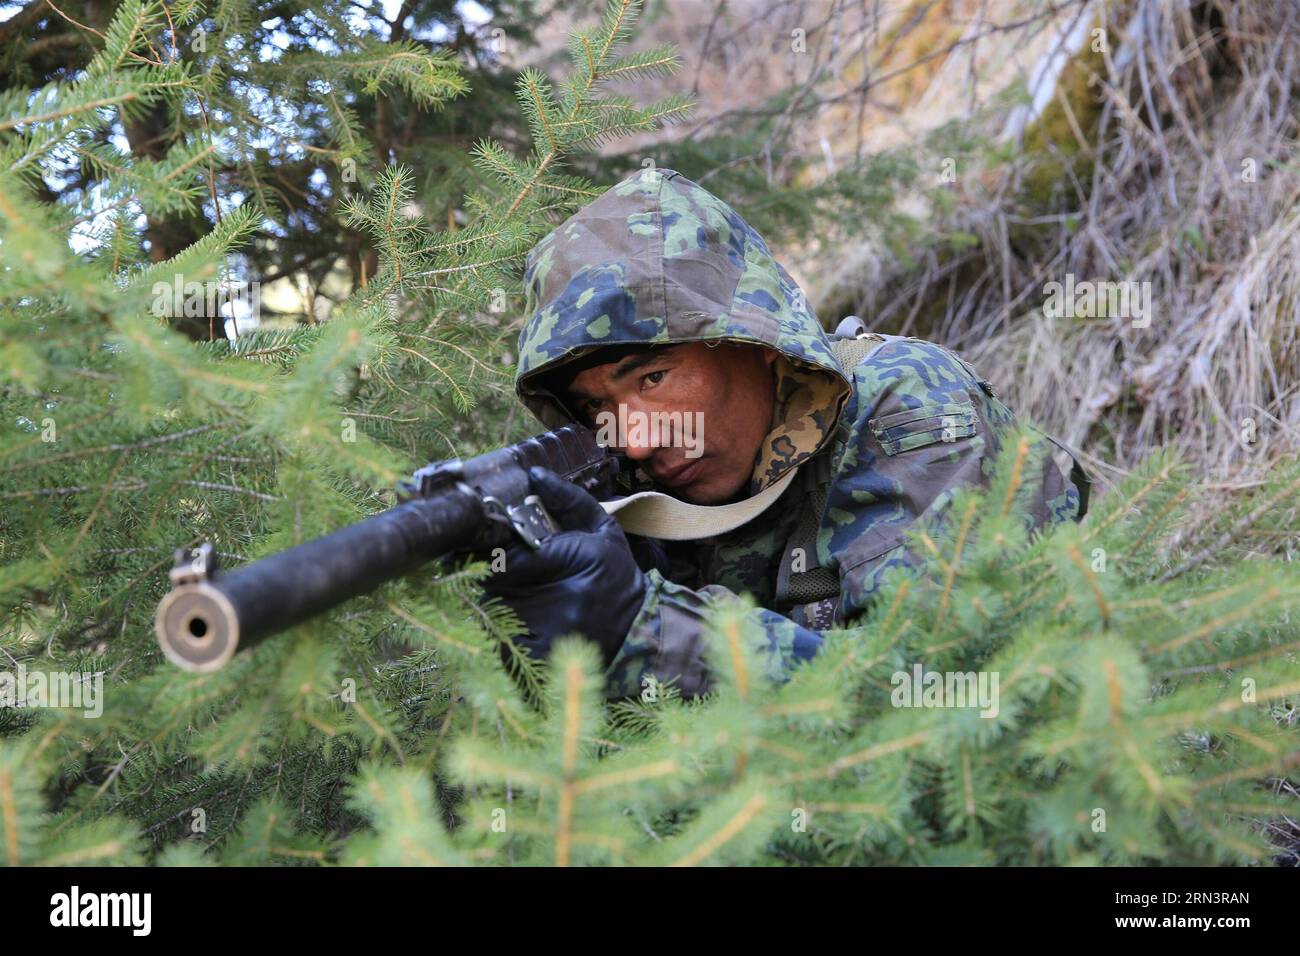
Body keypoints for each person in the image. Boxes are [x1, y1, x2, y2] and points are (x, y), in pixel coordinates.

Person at [483, 166, 1087, 699]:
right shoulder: (638, 487)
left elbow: (938, 700)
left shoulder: (911, 409)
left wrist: (652, 631)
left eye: (654, 378)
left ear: (757, 344)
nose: (635, 441)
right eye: (595, 407)